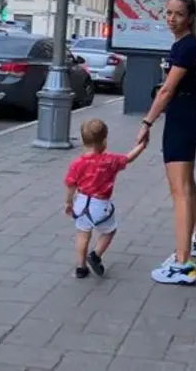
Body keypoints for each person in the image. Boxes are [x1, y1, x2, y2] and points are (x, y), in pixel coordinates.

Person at [136, 0, 196, 286]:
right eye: (168, 13)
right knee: (188, 185)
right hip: (189, 119)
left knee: (179, 192)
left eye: (178, 14)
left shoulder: (185, 47)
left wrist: (147, 121)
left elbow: (167, 90)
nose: (171, 19)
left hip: (181, 122)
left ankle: (183, 263)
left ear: (190, 18)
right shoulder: (191, 44)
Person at [64, 118, 146, 279]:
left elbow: (70, 185)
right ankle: (95, 255)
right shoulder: (111, 160)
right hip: (100, 204)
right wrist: (141, 146)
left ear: (83, 140)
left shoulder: (77, 163)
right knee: (109, 231)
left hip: (81, 202)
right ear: (104, 140)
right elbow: (128, 158)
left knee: (82, 235)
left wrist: (68, 202)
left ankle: (81, 267)